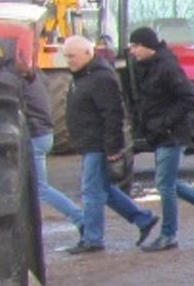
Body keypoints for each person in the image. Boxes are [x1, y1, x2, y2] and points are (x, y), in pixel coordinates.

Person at [125, 26, 194, 250]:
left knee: (164, 184)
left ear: (146, 45)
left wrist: (165, 124)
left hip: (171, 135)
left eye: (134, 46)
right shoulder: (147, 67)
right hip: (160, 133)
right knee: (168, 182)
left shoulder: (167, 67)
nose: (131, 51)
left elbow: (187, 98)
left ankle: (169, 234)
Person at [60, 34, 156, 254]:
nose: (69, 61)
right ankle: (142, 219)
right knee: (104, 190)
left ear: (87, 53)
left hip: (98, 144)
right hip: (88, 143)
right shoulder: (83, 76)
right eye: (66, 57)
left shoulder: (101, 78)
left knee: (91, 192)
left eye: (72, 56)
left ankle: (92, 239)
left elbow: (113, 115)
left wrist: (113, 148)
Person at [19, 66, 83, 230]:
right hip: (43, 134)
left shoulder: (17, 80)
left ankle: (80, 219)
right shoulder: (38, 76)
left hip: (35, 136)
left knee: (41, 188)